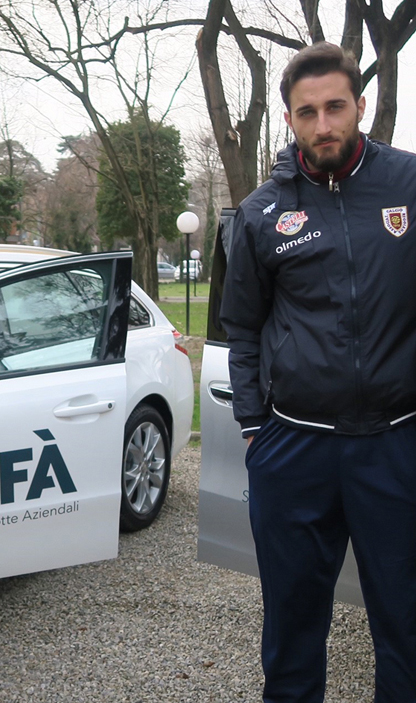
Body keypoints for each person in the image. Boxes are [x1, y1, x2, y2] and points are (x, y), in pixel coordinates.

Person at [221, 42, 416, 702]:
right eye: (308, 112)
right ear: (290, 120)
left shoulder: (409, 187)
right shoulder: (261, 214)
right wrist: (254, 426)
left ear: (360, 105)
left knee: (406, 622)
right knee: (294, 626)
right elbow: (241, 326)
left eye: (336, 106)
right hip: (295, 448)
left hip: (396, 442)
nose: (324, 124)